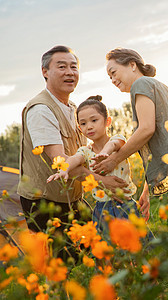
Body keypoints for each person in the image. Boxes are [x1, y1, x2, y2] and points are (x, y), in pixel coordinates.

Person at [91, 48, 168, 282]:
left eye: (114, 71)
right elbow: (160, 145)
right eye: (109, 77)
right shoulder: (152, 85)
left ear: (132, 65)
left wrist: (115, 159)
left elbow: (146, 129)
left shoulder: (141, 85)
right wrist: (148, 190)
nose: (113, 79)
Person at [17, 46, 128, 258]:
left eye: (74, 67)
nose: (70, 72)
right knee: (62, 264)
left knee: (98, 248)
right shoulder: (41, 109)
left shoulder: (73, 108)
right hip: (44, 201)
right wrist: (101, 181)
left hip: (71, 197)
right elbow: (59, 161)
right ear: (45, 72)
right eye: (62, 66)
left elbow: (84, 153)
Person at [47, 96, 151, 241]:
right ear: (79, 128)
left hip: (125, 205)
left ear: (107, 121)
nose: (89, 126)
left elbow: (114, 145)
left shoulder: (118, 140)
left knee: (139, 244)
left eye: (94, 120)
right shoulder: (85, 151)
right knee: (108, 252)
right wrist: (64, 169)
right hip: (102, 209)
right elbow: (74, 159)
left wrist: (105, 153)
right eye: (83, 123)